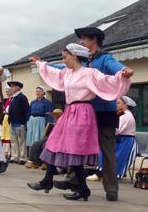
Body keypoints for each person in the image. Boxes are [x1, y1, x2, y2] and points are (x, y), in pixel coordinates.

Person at [27, 43, 131, 201]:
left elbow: (106, 81)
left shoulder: (89, 73)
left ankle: (75, 187)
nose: (63, 60)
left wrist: (122, 74)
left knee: (72, 150)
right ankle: (50, 181)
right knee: (54, 143)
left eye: (65, 56)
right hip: (70, 111)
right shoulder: (67, 73)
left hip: (83, 113)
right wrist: (40, 64)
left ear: (74, 55)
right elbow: (54, 71)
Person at [53, 27, 134, 201]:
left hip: (104, 112)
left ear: (94, 40)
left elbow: (116, 67)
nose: (81, 42)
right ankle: (73, 181)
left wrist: (124, 70)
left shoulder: (104, 59)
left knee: (107, 151)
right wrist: (43, 65)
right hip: (85, 114)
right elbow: (62, 67)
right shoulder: (82, 61)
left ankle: (112, 190)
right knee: (76, 147)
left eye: (84, 39)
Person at [87, 96, 139, 181]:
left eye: (118, 103)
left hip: (125, 142)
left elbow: (118, 129)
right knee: (104, 152)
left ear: (125, 106)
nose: (116, 105)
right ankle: (101, 172)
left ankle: (103, 174)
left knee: (115, 156)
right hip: (119, 140)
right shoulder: (121, 113)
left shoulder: (127, 115)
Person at [26, 86, 54, 159]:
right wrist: (27, 122)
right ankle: (32, 157)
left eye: (39, 91)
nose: (38, 93)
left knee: (39, 139)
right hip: (32, 122)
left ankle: (40, 158)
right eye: (37, 91)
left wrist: (48, 125)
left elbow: (49, 114)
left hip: (41, 122)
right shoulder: (33, 102)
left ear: (43, 92)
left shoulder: (47, 102)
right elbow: (29, 113)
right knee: (32, 139)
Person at [7, 81, 29, 165]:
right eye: (11, 87)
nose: (11, 88)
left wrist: (25, 122)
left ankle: (23, 158)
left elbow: (26, 110)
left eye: (12, 86)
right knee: (13, 141)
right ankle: (14, 157)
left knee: (21, 141)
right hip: (12, 122)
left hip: (20, 123)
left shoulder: (22, 97)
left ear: (18, 88)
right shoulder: (13, 98)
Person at [1, 87, 12, 160]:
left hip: (9, 118)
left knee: (8, 136)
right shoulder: (5, 100)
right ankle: (4, 152)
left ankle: (8, 152)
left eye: (9, 91)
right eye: (6, 92)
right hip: (4, 118)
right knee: (4, 136)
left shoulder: (13, 99)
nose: (7, 93)